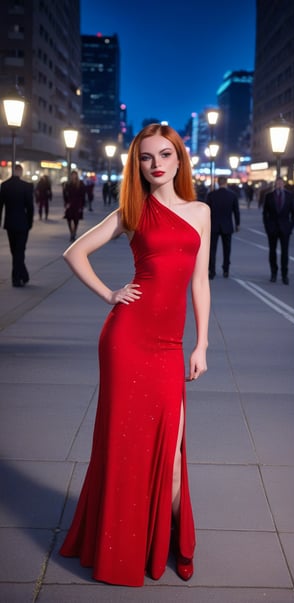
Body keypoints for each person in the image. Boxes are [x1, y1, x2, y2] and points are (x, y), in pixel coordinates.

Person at [59, 123, 211, 586]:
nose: (157, 163)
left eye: (165, 154)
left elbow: (200, 282)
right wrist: (110, 294)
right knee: (124, 445)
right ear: (138, 165)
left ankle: (172, 541)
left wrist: (202, 343)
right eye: (147, 157)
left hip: (169, 345)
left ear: (180, 159)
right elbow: (75, 252)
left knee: (172, 453)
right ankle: (122, 543)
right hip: (127, 339)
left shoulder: (200, 211)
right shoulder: (133, 209)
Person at [0, 163, 34, 287]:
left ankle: (22, 275)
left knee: (14, 250)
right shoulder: (26, 186)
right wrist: (30, 223)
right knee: (20, 250)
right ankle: (17, 277)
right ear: (20, 172)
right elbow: (30, 207)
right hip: (22, 223)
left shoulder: (4, 186)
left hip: (10, 223)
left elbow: (0, 205)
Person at [263, 176, 294, 284]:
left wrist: (290, 227)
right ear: (275, 184)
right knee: (272, 252)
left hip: (284, 228)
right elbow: (265, 213)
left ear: (283, 184)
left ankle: (284, 275)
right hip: (272, 228)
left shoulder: (289, 196)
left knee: (285, 252)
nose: (279, 184)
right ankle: (273, 273)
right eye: (277, 183)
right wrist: (268, 227)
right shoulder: (269, 196)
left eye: (281, 183)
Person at [205, 175, 240, 279]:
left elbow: (207, 211)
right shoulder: (232, 195)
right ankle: (226, 270)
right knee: (227, 249)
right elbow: (236, 211)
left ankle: (212, 271)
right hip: (227, 225)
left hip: (214, 225)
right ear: (226, 183)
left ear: (218, 183)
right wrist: (237, 224)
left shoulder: (211, 195)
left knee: (212, 250)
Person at [63, 170, 85, 241]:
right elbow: (65, 194)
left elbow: (83, 195)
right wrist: (66, 203)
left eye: (74, 175)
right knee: (69, 218)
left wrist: (82, 205)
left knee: (76, 219)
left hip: (77, 203)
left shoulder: (80, 184)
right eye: (72, 175)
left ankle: (74, 232)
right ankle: (71, 232)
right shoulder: (68, 184)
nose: (73, 176)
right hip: (70, 203)